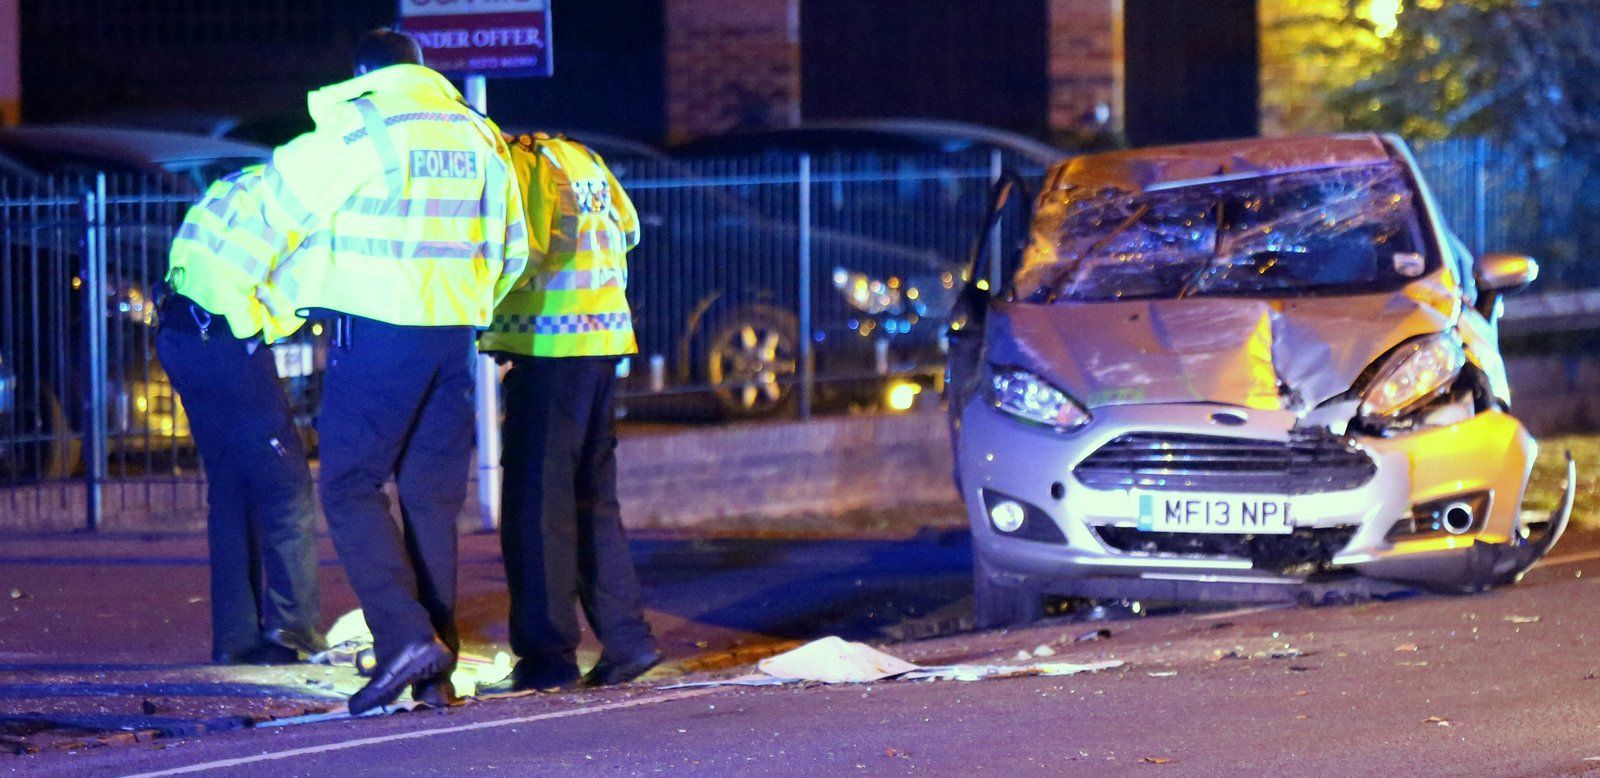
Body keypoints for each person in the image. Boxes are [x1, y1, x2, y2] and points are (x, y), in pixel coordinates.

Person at [258, 29, 529, 714]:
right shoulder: (478, 130)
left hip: (378, 332)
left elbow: (277, 203)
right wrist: (467, 303)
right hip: (452, 336)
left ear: (364, 73)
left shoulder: (362, 123)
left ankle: (406, 637)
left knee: (349, 486)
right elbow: (515, 248)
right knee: (428, 500)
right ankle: (433, 674)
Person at [479, 133, 659, 692]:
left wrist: (476, 300)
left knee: (536, 507)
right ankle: (628, 641)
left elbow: (521, 250)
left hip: (549, 342)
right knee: (592, 500)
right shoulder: (581, 157)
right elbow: (627, 228)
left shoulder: (520, 164)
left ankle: (546, 656)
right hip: (604, 337)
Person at [155, 165, 325, 665]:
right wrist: (258, 332)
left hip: (182, 334)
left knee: (231, 489)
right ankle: (292, 635)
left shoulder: (241, 184)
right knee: (286, 488)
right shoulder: (306, 201)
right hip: (225, 341)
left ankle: (235, 641)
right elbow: (285, 289)